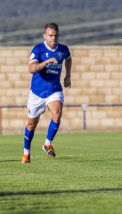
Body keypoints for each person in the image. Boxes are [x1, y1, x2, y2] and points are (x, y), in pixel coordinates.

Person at [22, 23, 72, 164]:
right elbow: (31, 69)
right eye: (50, 35)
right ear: (45, 36)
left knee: (57, 112)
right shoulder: (38, 49)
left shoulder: (63, 49)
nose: (53, 38)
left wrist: (68, 76)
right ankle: (26, 151)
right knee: (31, 124)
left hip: (54, 90)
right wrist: (47, 62)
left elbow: (68, 58)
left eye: (55, 35)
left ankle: (47, 143)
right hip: (37, 93)